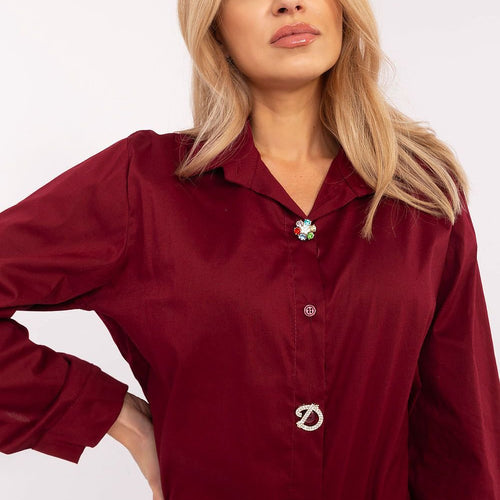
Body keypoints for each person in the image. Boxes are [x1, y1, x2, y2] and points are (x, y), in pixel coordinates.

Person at [1, 0, 499, 499]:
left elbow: (459, 424)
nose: (289, 4)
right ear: (213, 26)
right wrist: (119, 418)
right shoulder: (143, 185)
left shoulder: (419, 191)